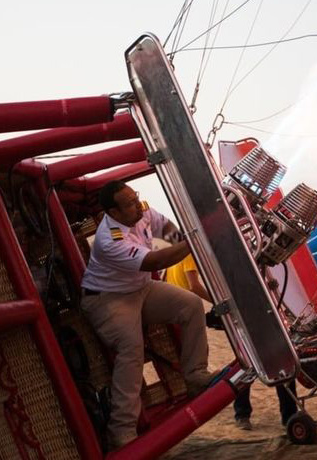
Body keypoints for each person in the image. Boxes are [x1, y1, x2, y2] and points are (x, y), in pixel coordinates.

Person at [80, 181, 216, 450]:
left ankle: (195, 375)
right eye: (129, 203)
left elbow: (164, 228)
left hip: (139, 289)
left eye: (136, 197)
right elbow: (155, 262)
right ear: (113, 213)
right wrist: (194, 242)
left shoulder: (139, 212)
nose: (137, 204)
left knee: (190, 305)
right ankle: (121, 431)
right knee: (131, 348)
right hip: (108, 299)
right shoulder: (110, 240)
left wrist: (185, 241)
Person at [159, 240, 298, 431]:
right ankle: (265, 413)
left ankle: (245, 413)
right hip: (212, 310)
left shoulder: (180, 257)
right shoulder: (197, 254)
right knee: (257, 362)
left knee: (249, 362)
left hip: (178, 314)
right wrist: (219, 304)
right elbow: (194, 285)